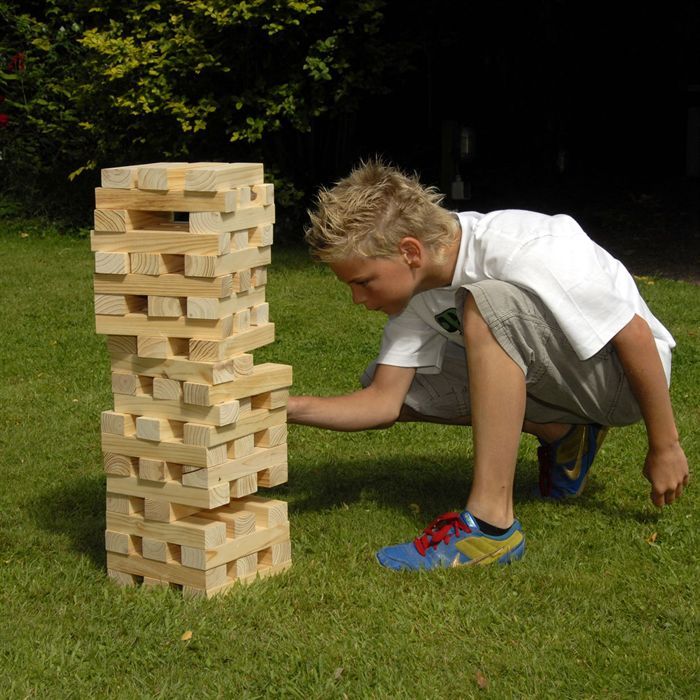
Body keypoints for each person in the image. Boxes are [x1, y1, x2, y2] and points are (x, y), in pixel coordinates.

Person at [287, 160, 690, 571]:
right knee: (393, 381)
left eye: (363, 282)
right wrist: (281, 407)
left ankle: (492, 524)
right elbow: (383, 402)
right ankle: (566, 434)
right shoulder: (419, 287)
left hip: (619, 382)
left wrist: (665, 445)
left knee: (486, 304)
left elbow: (634, 334)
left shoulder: (523, 247)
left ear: (409, 251)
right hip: (563, 380)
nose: (358, 299)